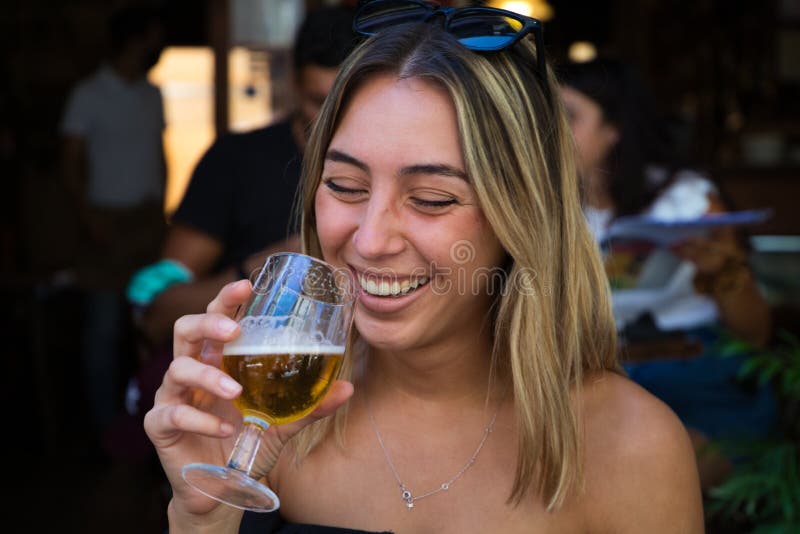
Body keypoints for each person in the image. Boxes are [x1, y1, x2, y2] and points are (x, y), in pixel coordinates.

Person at [145, 2, 704, 532]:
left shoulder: (631, 446)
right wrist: (204, 519)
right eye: (345, 186)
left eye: (433, 198)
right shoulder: (280, 420)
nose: (369, 238)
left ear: (525, 214)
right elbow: (151, 298)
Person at [558, 57, 777, 489]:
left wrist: (723, 269)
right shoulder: (544, 207)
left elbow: (755, 335)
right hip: (593, 378)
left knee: (646, 481)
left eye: (567, 116)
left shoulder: (687, 200)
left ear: (614, 130)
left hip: (695, 372)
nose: (549, 130)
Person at [128, 5, 357, 347]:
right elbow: (158, 312)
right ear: (294, 85)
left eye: (346, 103)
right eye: (317, 102)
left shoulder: (392, 165)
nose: (328, 121)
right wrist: (264, 270)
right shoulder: (234, 161)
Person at [60, 4, 167, 440]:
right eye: (155, 37)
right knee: (103, 330)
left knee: (155, 323)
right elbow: (69, 164)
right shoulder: (88, 94)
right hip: (105, 224)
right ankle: (106, 432)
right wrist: (89, 218)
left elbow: (159, 153)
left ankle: (151, 428)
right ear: (137, 40)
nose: (160, 46)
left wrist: (162, 206)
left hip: (148, 220)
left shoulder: (152, 94)